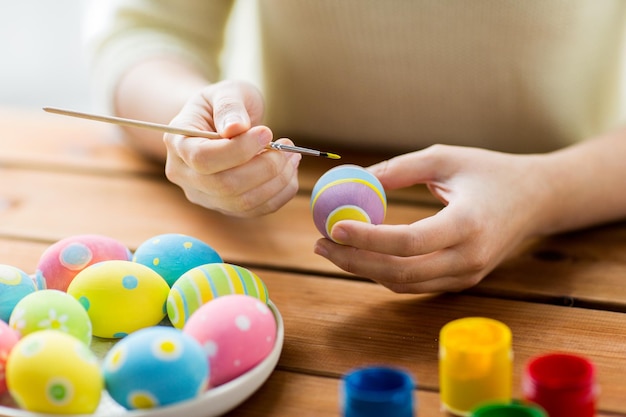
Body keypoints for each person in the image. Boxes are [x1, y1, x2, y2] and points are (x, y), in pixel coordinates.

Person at [87, 1, 626, 294]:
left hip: (576, 238)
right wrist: (189, 126)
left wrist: (547, 191)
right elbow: (145, 31)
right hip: (276, 227)